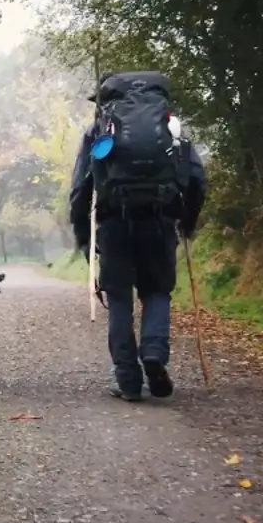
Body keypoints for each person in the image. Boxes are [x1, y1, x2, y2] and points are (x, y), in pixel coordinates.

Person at [67, 71, 206, 402]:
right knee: (157, 292)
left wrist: (83, 237)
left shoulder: (100, 131)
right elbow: (197, 180)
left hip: (114, 225)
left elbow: (79, 189)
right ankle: (154, 354)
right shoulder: (171, 130)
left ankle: (128, 381)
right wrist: (186, 221)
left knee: (119, 300)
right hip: (159, 223)